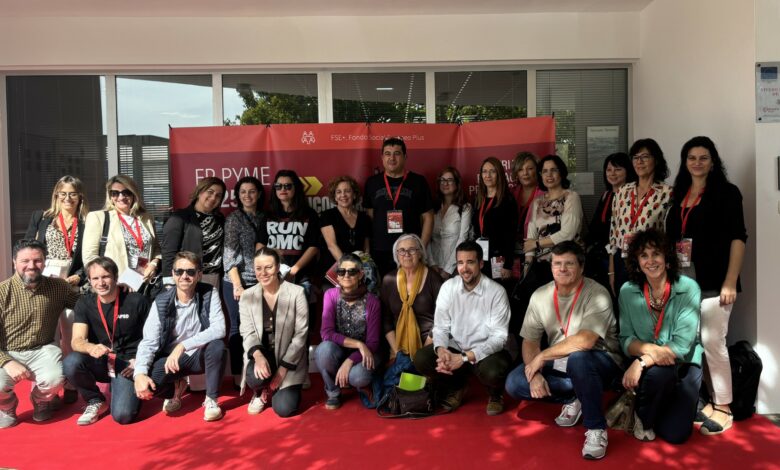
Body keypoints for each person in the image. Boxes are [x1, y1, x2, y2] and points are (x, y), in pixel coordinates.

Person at [505, 241, 622, 460]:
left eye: (569, 264)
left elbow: (586, 341)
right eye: (557, 263)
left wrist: (542, 356)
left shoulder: (597, 293)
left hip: (601, 360)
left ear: (581, 267)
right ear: (551, 267)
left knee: (579, 359)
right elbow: (530, 341)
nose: (562, 269)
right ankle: (575, 397)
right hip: (562, 361)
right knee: (516, 382)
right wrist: (535, 374)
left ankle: (596, 428)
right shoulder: (540, 295)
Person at [666, 136, 747, 435]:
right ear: (684, 162)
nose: (697, 163)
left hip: (715, 280)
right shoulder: (679, 194)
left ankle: (724, 407)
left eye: (703, 157)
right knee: (693, 342)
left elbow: (738, 238)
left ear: (713, 162)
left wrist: (730, 281)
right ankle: (707, 399)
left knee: (713, 341)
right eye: (691, 158)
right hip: (683, 281)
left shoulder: (727, 193)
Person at [619, 229, 703, 444]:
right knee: (660, 374)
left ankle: (659, 407)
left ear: (666, 257)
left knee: (676, 435)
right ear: (637, 262)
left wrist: (641, 361)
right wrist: (651, 353)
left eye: (656, 253)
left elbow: (681, 346)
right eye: (643, 255)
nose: (650, 261)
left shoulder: (689, 288)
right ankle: (643, 417)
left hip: (684, 363)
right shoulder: (627, 291)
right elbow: (626, 339)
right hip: (655, 373)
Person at [413, 241, 511, 415]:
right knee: (421, 358)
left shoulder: (496, 292)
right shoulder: (448, 287)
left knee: (493, 371)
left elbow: (498, 339)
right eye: (460, 262)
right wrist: (441, 350)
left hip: (486, 352)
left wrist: (464, 358)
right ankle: (457, 386)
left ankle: (496, 394)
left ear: (481, 264)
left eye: (470, 262)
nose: (464, 268)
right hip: (456, 347)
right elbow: (441, 327)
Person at [133, 251, 227, 422]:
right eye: (179, 271)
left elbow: (219, 329)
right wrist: (139, 373)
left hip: (198, 355)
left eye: (190, 272)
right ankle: (175, 388)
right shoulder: (161, 301)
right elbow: (149, 342)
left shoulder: (209, 292)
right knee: (150, 383)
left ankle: (212, 400)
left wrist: (182, 346)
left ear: (199, 275)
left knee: (217, 347)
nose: (184, 276)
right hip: (171, 360)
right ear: (173, 274)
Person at [0, 240, 80, 428]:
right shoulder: (2, 292)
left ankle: (41, 400)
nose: (32, 266)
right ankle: (6, 406)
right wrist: (7, 362)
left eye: (37, 260)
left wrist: (114, 293)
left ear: (44, 262)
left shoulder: (58, 287)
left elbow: (85, 305)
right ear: (14, 262)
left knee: (57, 378)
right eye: (25, 261)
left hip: (43, 349)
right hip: (7, 351)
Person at [25, 175, 91, 403]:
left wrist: (79, 276)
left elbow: (91, 256)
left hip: (71, 288)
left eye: (72, 193)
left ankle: (71, 382)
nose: (67, 198)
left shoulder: (87, 222)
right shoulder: (42, 218)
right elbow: (27, 248)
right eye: (63, 193)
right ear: (56, 195)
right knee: (45, 337)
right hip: (44, 287)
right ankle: (46, 390)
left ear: (80, 196)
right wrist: (35, 274)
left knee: (71, 336)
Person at [63, 257, 150, 425]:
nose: (101, 283)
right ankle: (95, 400)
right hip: (102, 360)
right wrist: (90, 347)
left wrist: (140, 362)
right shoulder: (84, 303)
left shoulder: (137, 301)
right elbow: (76, 341)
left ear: (116, 277)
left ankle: (129, 389)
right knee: (71, 362)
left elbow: (153, 337)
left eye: (106, 277)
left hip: (129, 364)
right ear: (89, 281)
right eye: (95, 278)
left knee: (123, 416)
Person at [240, 248, 309, 417]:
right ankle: (260, 391)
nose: (263, 273)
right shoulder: (247, 296)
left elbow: (300, 335)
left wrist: (283, 369)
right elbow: (247, 332)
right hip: (263, 357)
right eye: (258, 268)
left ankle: (281, 387)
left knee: (284, 409)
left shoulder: (297, 293)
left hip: (289, 359)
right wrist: (258, 356)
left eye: (268, 267)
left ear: (278, 267)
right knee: (255, 378)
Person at [608, 139, 673, 297]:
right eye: (636, 157)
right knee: (623, 306)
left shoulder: (667, 193)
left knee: (650, 305)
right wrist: (611, 270)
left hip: (651, 261)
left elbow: (669, 233)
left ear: (656, 160)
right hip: (622, 261)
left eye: (645, 157)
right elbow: (613, 233)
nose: (639, 162)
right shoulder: (622, 191)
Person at [315, 253, 381, 410]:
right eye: (341, 271)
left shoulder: (372, 301)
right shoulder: (330, 295)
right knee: (323, 350)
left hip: (366, 353)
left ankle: (361, 385)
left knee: (358, 377)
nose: (346, 275)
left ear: (360, 274)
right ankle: (333, 392)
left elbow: (373, 343)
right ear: (337, 275)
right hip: (340, 350)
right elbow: (326, 333)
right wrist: (358, 344)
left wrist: (350, 360)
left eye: (352, 271)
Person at [364, 137, 434, 276]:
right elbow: (370, 217)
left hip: (410, 251)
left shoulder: (418, 182)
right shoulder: (372, 183)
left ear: (405, 156)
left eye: (397, 153)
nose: (392, 158)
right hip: (380, 251)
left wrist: (421, 248)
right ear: (382, 157)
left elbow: (428, 218)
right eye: (387, 154)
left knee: (412, 286)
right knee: (384, 287)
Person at [223, 176, 265, 386]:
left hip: (261, 281)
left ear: (259, 194)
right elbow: (229, 256)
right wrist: (238, 285)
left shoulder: (265, 217)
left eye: (252, 191)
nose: (247, 195)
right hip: (236, 281)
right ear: (237, 196)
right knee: (237, 328)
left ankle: (257, 372)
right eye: (243, 192)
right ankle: (238, 375)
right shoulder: (234, 219)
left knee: (260, 328)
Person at [82, 174, 161, 285]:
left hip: (144, 281)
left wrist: (153, 264)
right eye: (115, 193)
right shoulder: (98, 217)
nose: (121, 197)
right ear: (110, 196)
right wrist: (110, 280)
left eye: (126, 192)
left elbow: (156, 248)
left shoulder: (146, 218)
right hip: (116, 284)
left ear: (133, 194)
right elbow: (90, 257)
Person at [380, 234, 443, 368]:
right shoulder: (388, 280)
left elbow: (442, 320)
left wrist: (422, 353)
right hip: (398, 345)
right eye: (401, 250)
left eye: (412, 250)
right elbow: (386, 321)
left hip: (429, 343)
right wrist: (397, 352)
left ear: (420, 253)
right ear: (397, 255)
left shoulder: (434, 279)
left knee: (419, 368)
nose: (407, 254)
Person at [523, 154, 584, 287]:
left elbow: (568, 234)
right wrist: (527, 267)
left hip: (565, 265)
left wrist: (537, 244)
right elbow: (530, 240)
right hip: (541, 268)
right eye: (545, 171)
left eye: (553, 170)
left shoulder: (571, 197)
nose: (549, 175)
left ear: (561, 173)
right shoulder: (537, 202)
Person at [259, 170, 321, 297]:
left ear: (296, 188)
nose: (283, 189)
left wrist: (293, 271)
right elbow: (260, 244)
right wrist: (267, 269)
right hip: (272, 277)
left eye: (287, 186)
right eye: (278, 186)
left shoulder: (309, 214)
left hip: (301, 278)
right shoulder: (268, 215)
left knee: (302, 311)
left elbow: (314, 246)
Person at [585, 153, 637, 294]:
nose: (612, 173)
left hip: (620, 255)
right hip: (602, 255)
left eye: (618, 169)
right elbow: (596, 227)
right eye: (609, 170)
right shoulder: (606, 195)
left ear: (628, 171)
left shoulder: (632, 196)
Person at [162, 176, 227, 288]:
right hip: (187, 276)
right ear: (199, 192)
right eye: (210, 192)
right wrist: (169, 283)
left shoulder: (220, 218)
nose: (213, 197)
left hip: (213, 277)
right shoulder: (180, 217)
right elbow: (168, 251)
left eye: (218, 195)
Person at [472, 157, 518, 281]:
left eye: (492, 171)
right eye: (484, 171)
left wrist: (508, 264)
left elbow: (511, 234)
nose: (488, 175)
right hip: (481, 257)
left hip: (500, 259)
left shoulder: (507, 200)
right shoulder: (478, 199)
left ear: (499, 174)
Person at [428, 167, 472, 280]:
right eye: (442, 180)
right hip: (433, 267)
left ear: (457, 183)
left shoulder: (465, 208)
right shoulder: (433, 207)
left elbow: (462, 239)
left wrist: (448, 269)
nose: (445, 183)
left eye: (449, 180)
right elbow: (426, 237)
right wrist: (432, 264)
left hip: (455, 268)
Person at [320, 175, 371, 271]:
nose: (343, 195)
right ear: (335, 197)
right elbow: (332, 246)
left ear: (354, 195)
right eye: (339, 192)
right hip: (335, 270)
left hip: (358, 271)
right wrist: (349, 268)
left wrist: (365, 268)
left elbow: (366, 249)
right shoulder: (327, 216)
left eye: (347, 191)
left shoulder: (364, 218)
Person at [510, 152, 544, 240]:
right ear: (516, 173)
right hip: (512, 245)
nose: (525, 173)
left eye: (530, 168)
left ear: (537, 170)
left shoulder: (545, 194)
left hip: (536, 244)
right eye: (520, 169)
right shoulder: (510, 193)